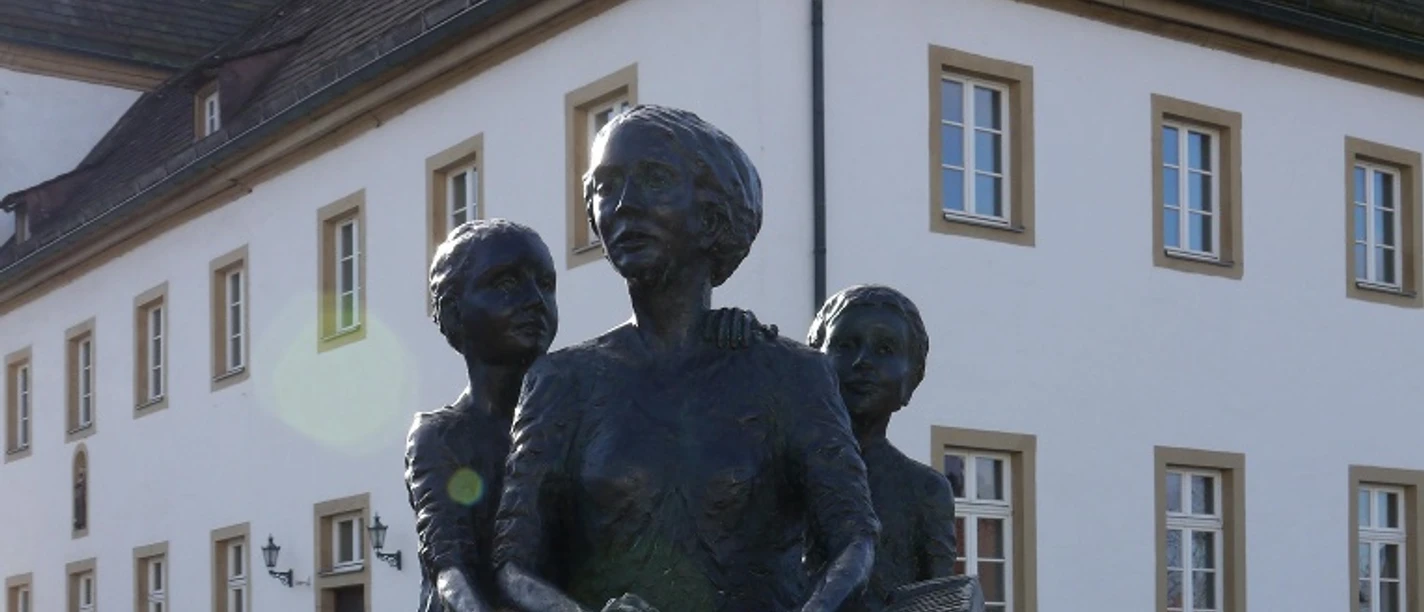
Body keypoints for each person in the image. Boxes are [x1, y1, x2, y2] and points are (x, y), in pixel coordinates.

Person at [492, 105, 880, 612]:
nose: (624, 204)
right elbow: (512, 563)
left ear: (712, 215)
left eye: (654, 179)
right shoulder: (561, 381)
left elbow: (853, 539)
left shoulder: (791, 374)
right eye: (606, 186)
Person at [404, 219, 771, 612]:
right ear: (453, 311)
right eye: (507, 284)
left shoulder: (583, 408)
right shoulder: (441, 436)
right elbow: (451, 573)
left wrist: (719, 341)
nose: (534, 300)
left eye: (545, 284)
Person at [805, 285, 958, 611]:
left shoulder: (925, 490)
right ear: (814, 362)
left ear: (911, 379)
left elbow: (939, 601)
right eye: (846, 345)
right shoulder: (780, 472)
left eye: (886, 349)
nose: (863, 361)